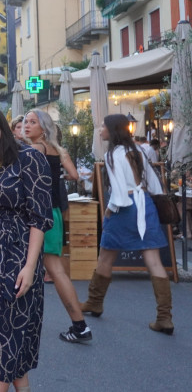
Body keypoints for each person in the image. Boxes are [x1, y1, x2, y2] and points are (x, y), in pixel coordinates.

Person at [0, 104, 53, 391]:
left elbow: (40, 218)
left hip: (15, 255)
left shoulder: (30, 158)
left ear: (1, 124)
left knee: (5, 335)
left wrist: (30, 267)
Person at [81, 114, 174, 335]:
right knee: (153, 260)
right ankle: (165, 317)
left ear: (112, 130)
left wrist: (108, 211)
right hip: (146, 205)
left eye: (103, 126)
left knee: (105, 256)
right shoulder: (139, 150)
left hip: (125, 208)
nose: (100, 129)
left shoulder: (112, 154)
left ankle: (95, 302)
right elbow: (154, 183)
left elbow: (120, 195)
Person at [22, 110, 91, 343]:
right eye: (26, 121)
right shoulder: (56, 149)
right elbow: (74, 175)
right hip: (53, 212)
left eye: (33, 122)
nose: (27, 125)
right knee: (52, 269)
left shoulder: (35, 149)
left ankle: (79, 324)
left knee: (54, 270)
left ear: (44, 128)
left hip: (41, 215)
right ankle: (78, 324)